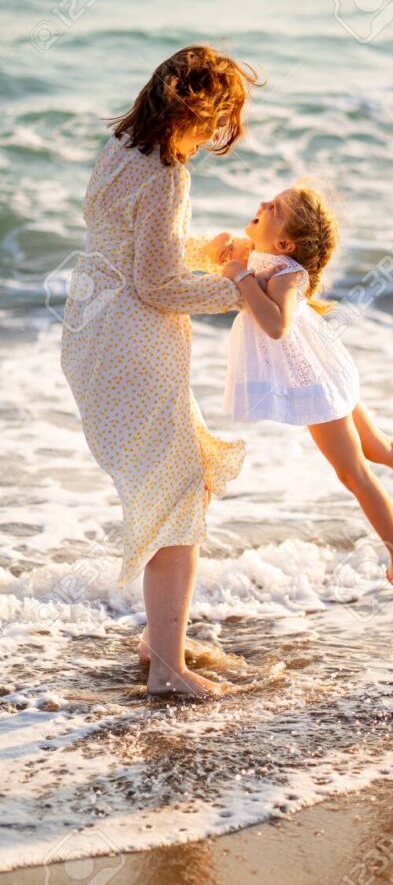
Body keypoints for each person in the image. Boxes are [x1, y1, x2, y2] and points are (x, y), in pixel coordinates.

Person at [62, 45, 259, 697]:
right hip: (131, 339)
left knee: (180, 484)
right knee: (177, 496)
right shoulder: (169, 173)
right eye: (215, 124)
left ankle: (160, 641)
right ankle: (168, 671)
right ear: (195, 112)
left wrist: (208, 249)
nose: (212, 140)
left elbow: (124, 242)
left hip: (91, 325)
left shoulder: (122, 147)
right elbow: (157, 285)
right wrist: (242, 292)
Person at [220, 185, 393, 584]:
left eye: (274, 208)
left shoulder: (285, 274)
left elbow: (276, 326)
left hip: (313, 382)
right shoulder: (268, 259)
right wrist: (234, 260)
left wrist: (242, 277)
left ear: (285, 243)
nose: (263, 204)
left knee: (353, 472)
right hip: (323, 367)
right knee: (377, 446)